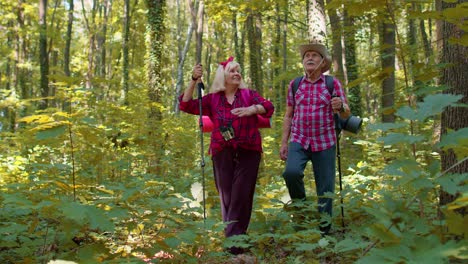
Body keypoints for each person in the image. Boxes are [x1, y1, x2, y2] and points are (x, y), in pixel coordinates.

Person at [179, 57, 274, 254]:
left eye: (238, 70)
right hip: (221, 150)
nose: (237, 74)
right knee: (227, 197)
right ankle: (237, 239)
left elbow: (269, 108)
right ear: (223, 76)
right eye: (232, 71)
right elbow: (186, 105)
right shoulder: (213, 99)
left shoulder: (249, 95)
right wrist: (193, 80)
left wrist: (252, 109)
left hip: (249, 150)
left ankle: (233, 244)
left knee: (242, 193)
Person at [280, 43, 351, 234]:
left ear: (322, 62)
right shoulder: (295, 85)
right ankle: (301, 215)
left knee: (325, 188)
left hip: (325, 141)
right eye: (306, 56)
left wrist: (341, 106)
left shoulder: (332, 83)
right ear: (303, 62)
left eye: (314, 55)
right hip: (299, 139)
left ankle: (325, 231)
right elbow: (288, 115)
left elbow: (346, 114)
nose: (309, 58)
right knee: (291, 173)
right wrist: (283, 142)